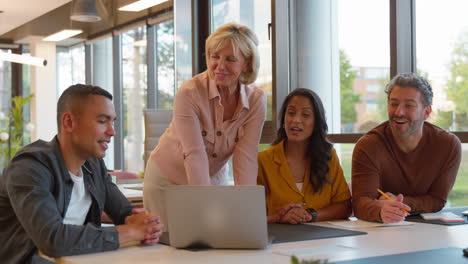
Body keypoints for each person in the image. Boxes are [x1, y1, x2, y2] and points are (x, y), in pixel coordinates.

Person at [0, 84, 164, 264]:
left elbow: (124, 212)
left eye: (113, 122)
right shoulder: (29, 167)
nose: (112, 132)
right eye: (102, 121)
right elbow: (53, 240)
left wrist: (146, 223)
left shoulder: (93, 166)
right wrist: (132, 231)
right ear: (68, 122)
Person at [143, 23, 266, 227]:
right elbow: (194, 154)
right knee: (168, 249)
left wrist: (247, 212)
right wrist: (206, 206)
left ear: (247, 63)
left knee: (212, 246)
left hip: (211, 180)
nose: (219, 65)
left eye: (230, 59)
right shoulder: (190, 92)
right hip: (166, 180)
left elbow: (246, 156)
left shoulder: (256, 99)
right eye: (214, 56)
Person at [352, 72, 462, 223]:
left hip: (428, 230)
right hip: (380, 232)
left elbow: (437, 200)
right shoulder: (369, 145)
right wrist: (381, 211)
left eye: (409, 105)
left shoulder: (448, 145)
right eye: (394, 104)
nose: (399, 112)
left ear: (426, 112)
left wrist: (400, 203)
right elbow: (360, 204)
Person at [257, 88, 352, 224]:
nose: (296, 120)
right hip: (279, 240)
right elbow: (250, 216)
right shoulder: (263, 160)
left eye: (305, 115)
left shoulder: (329, 157)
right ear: (284, 119)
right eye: (291, 113)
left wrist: (310, 215)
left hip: (324, 239)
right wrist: (279, 218)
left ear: (316, 123)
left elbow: (345, 207)